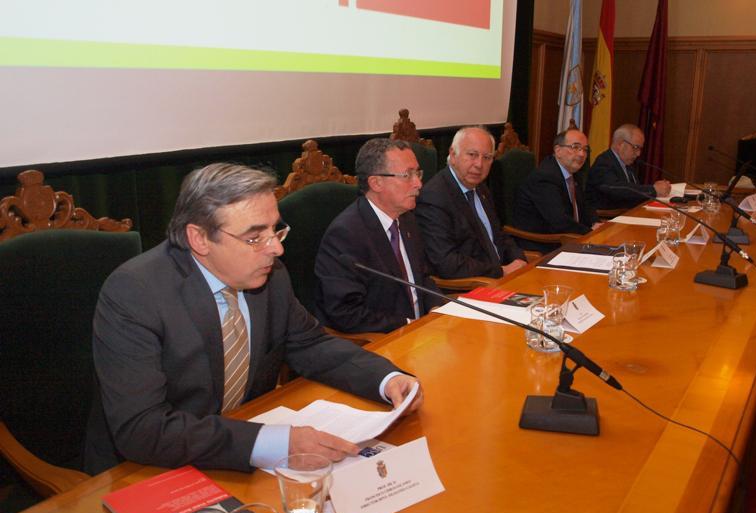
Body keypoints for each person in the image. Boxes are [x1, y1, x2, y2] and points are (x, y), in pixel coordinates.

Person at [84, 163, 422, 474]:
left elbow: (310, 344)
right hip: (146, 468)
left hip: (238, 449)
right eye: (254, 237)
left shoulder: (268, 274)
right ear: (199, 238)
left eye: (276, 230)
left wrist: (386, 378)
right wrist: (272, 444)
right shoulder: (136, 293)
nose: (276, 248)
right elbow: (143, 429)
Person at [314, 139, 443, 333]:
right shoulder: (345, 235)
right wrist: (409, 325)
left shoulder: (406, 219)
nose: (418, 183)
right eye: (407, 175)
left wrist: (436, 307)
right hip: (386, 342)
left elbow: (422, 277)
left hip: (424, 332)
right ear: (376, 183)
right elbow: (346, 312)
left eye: (418, 173)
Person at [416, 126, 527, 279]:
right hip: (472, 287)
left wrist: (519, 259)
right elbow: (446, 262)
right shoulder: (434, 197)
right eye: (472, 155)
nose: (479, 164)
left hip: (502, 279)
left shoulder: (480, 187)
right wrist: (501, 271)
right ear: (453, 155)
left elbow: (498, 236)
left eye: (487, 157)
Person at [511, 128, 601, 253]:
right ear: (558, 150)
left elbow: (585, 205)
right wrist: (591, 233)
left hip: (568, 239)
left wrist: (595, 222)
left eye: (585, 149)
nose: (582, 154)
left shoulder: (574, 173)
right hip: (544, 244)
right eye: (575, 147)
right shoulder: (544, 178)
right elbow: (559, 221)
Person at [586, 124, 672, 209]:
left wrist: (656, 189)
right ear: (620, 144)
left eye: (640, 149)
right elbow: (619, 190)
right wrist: (653, 190)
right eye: (635, 147)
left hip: (628, 213)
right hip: (610, 217)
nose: (638, 154)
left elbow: (634, 192)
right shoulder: (604, 163)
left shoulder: (627, 164)